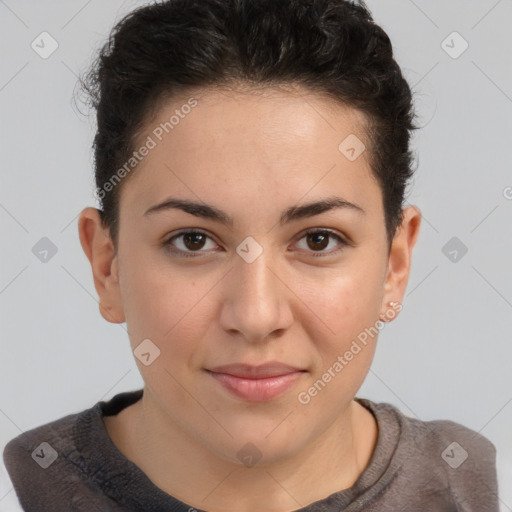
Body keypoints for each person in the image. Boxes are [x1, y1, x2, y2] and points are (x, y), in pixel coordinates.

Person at [2, 0, 499, 510]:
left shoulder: (460, 483)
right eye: (193, 240)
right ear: (107, 266)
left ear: (395, 266)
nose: (257, 316)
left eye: (318, 240)